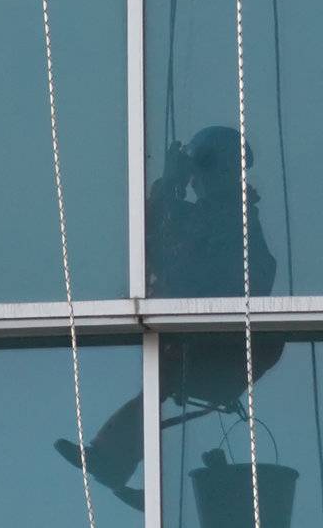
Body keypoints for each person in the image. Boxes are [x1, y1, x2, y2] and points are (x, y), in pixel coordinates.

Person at [54, 126, 282, 508]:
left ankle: (124, 464)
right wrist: (169, 185)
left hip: (223, 344)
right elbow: (155, 240)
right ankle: (123, 463)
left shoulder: (231, 215)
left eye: (210, 169)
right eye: (200, 171)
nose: (201, 180)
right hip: (209, 342)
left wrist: (170, 186)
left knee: (161, 380)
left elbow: (182, 248)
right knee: (159, 382)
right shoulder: (215, 214)